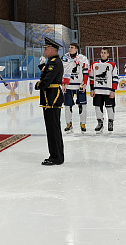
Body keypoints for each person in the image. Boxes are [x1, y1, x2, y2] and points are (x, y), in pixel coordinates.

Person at [37, 37, 64, 165]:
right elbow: (47, 74)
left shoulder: (54, 62)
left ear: (52, 50)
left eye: (46, 48)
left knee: (53, 129)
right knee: (52, 129)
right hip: (50, 98)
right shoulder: (52, 62)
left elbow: (47, 81)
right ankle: (55, 155)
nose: (44, 50)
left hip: (52, 98)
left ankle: (56, 157)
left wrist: (38, 85)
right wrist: (43, 67)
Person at [89, 47, 118, 133]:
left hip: (108, 91)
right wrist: (92, 89)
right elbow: (91, 78)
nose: (103, 54)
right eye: (102, 52)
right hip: (97, 91)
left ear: (108, 54)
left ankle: (110, 122)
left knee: (110, 107)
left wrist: (113, 90)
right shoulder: (94, 64)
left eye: (105, 53)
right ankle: (100, 123)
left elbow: (115, 78)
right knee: (97, 107)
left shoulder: (112, 64)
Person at [62, 43, 89, 133]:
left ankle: (83, 124)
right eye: (69, 47)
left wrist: (84, 84)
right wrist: (63, 84)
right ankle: (68, 124)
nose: (70, 49)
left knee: (82, 106)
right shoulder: (64, 58)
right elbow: (62, 72)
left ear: (76, 49)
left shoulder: (83, 58)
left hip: (79, 85)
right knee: (67, 106)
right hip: (68, 85)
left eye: (72, 47)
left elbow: (85, 72)